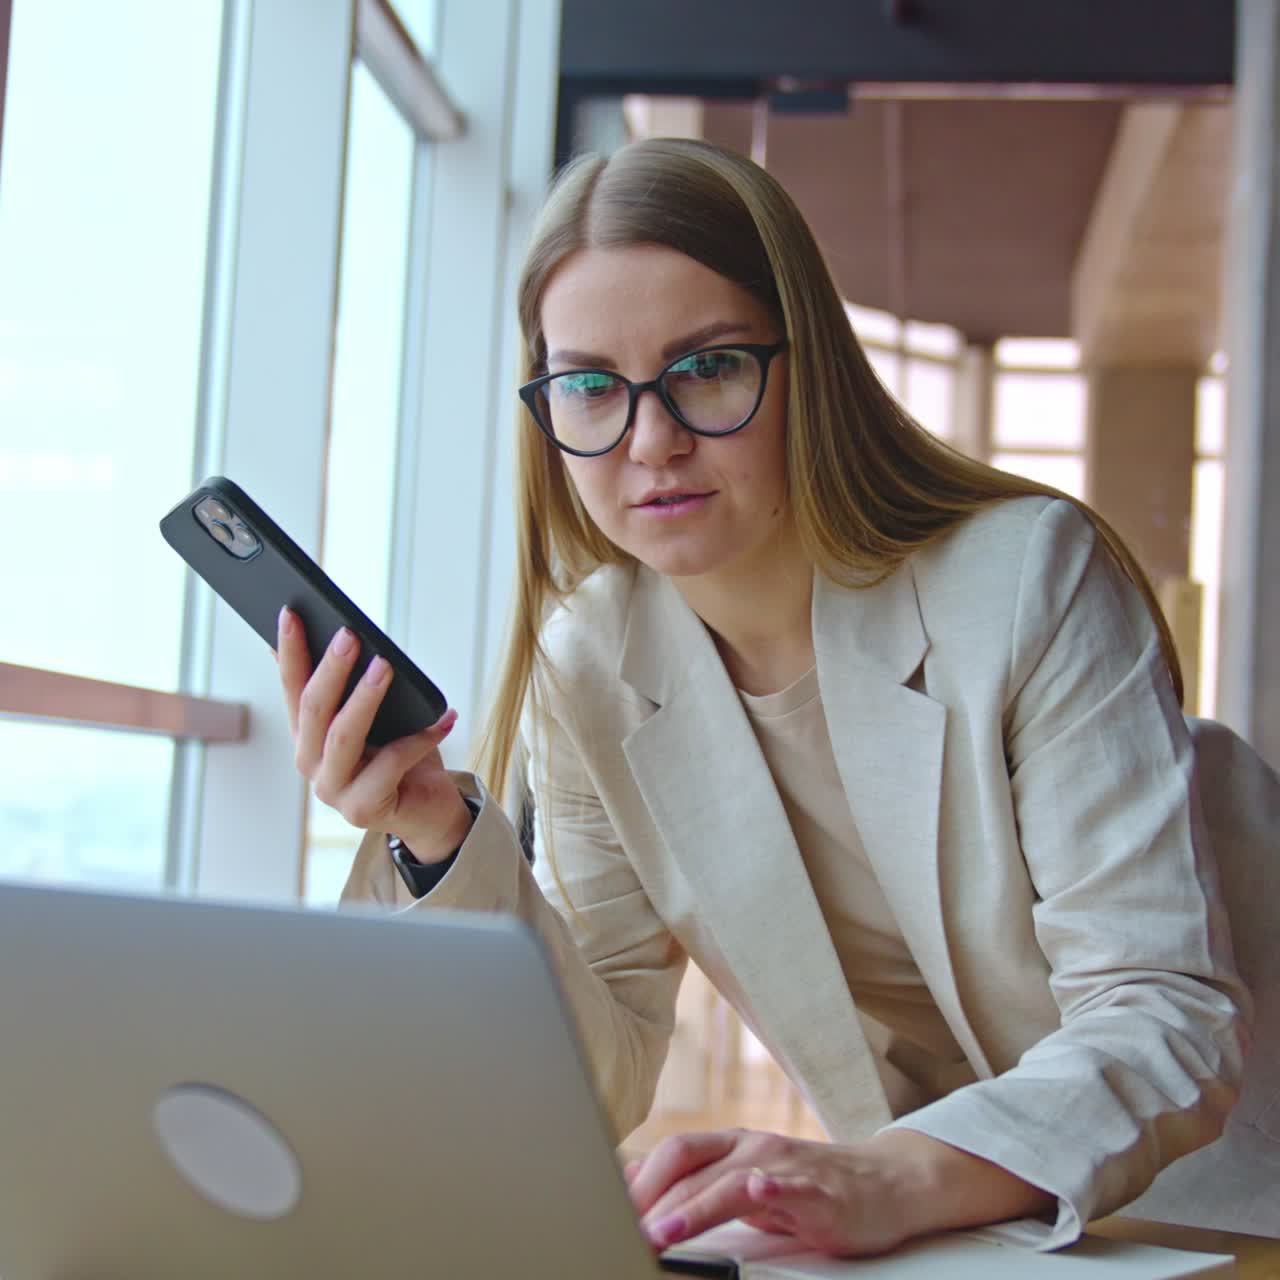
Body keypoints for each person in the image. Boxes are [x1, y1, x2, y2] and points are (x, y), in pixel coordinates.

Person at [276, 137, 1275, 1257]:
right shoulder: (594, 662)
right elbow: (591, 1076)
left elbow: (1163, 1014)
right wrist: (433, 830)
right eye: (591, 385)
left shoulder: (1026, 579)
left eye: (705, 369)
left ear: (809, 365)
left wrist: (878, 1171)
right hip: (976, 1220)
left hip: (1229, 1180)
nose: (648, 441)